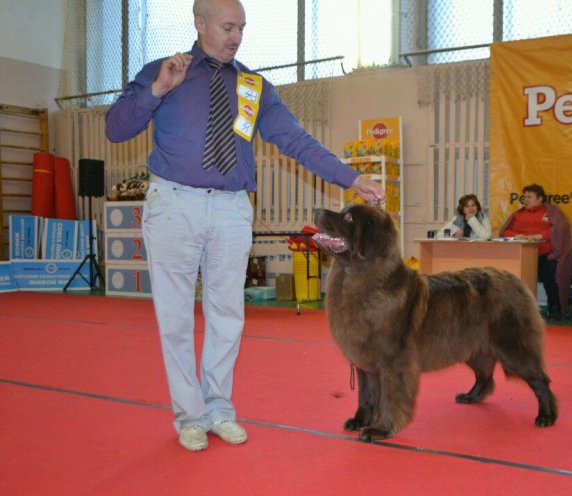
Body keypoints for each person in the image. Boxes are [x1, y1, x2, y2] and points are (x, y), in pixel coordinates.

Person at [105, 0, 384, 452]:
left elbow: (295, 139)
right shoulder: (164, 70)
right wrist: (155, 90)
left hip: (232, 207)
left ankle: (219, 409)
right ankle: (189, 416)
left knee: (227, 315)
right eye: (228, 26)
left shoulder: (254, 86)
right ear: (200, 24)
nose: (236, 36)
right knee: (175, 318)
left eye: (242, 28)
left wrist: (351, 178)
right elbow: (116, 129)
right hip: (174, 203)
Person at [499, 184, 567, 319]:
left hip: (544, 255)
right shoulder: (518, 214)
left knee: (549, 278)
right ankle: (517, 311)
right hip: (522, 255)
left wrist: (539, 236)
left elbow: (560, 228)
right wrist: (515, 235)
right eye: (524, 197)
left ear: (540, 198)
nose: (526, 200)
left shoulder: (551, 212)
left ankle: (554, 307)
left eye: (530, 197)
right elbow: (505, 231)